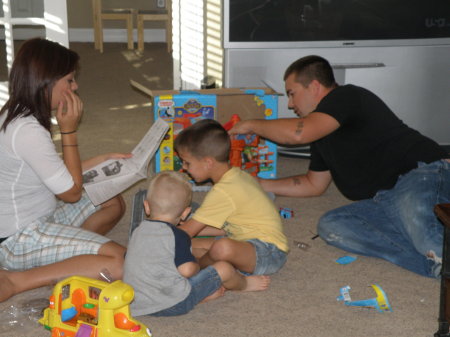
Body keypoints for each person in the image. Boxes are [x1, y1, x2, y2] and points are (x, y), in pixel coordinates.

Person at [228, 55, 450, 278]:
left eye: (292, 93)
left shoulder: (347, 96)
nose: (290, 104)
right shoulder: (323, 132)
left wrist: (252, 125)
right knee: (333, 225)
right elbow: (313, 184)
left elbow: (299, 133)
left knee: (426, 237)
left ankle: (439, 256)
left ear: (315, 86)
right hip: (386, 202)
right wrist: (260, 183)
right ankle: (437, 267)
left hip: (424, 174)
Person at [0, 38, 130, 302]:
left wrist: (102, 159)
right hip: (18, 239)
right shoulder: (27, 131)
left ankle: (74, 258)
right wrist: (68, 130)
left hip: (39, 216)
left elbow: (53, 171)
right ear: (46, 83)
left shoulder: (17, 113)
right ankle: (16, 281)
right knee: (121, 262)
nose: (75, 86)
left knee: (110, 200)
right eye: (69, 80)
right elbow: (70, 193)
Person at [123, 171, 270, 317]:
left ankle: (202, 297)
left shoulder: (138, 231)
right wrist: (196, 265)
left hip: (139, 302)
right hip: (174, 303)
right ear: (185, 213)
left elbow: (130, 258)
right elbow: (187, 271)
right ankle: (244, 284)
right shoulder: (178, 235)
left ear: (146, 206)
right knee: (223, 268)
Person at [175, 119, 289, 276]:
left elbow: (184, 233)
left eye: (187, 162)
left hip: (267, 252)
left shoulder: (223, 191)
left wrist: (159, 233)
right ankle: (213, 262)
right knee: (193, 244)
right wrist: (188, 229)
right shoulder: (236, 175)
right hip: (243, 240)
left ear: (208, 162)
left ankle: (199, 268)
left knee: (222, 248)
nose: (183, 167)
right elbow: (224, 227)